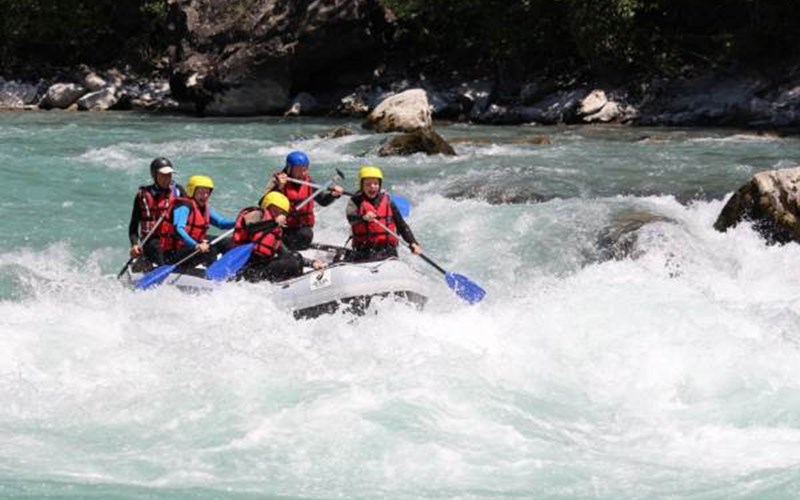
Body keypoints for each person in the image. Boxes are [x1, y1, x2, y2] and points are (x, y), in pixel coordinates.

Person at [233, 191, 326, 282]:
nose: (278, 214)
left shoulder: (275, 232)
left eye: (282, 212)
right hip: (248, 270)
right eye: (275, 210)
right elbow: (250, 227)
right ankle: (295, 285)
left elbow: (287, 253)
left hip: (261, 268)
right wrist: (274, 222)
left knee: (295, 257)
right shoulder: (257, 214)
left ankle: (295, 283)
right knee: (293, 262)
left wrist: (312, 263)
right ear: (267, 206)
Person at [260, 150, 343, 251]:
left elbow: (323, 201)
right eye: (298, 170)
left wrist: (333, 195)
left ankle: (294, 250)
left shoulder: (308, 182)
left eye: (305, 169)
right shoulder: (277, 180)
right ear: (289, 169)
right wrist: (279, 187)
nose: (303, 173)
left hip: (300, 227)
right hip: (281, 226)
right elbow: (263, 203)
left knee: (305, 235)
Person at [346, 165, 423, 262]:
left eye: (376, 183)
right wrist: (363, 217)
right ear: (361, 186)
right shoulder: (355, 201)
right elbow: (351, 218)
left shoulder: (388, 201)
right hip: (363, 251)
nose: (372, 186)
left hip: (388, 251)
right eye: (368, 184)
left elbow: (401, 225)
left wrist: (413, 242)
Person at [159, 175, 235, 269]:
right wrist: (196, 245)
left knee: (226, 242)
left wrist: (239, 221)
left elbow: (221, 223)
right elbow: (178, 229)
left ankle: (229, 272)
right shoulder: (183, 206)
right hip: (173, 254)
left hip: (191, 248)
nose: (205, 196)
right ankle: (212, 277)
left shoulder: (203, 208)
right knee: (209, 250)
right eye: (201, 192)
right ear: (192, 192)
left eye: (207, 192)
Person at [127, 157, 186, 266]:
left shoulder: (178, 191)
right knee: (156, 248)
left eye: (169, 175)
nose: (167, 178)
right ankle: (150, 263)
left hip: (174, 239)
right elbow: (133, 226)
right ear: (154, 175)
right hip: (152, 241)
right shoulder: (142, 196)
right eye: (163, 175)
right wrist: (134, 245)